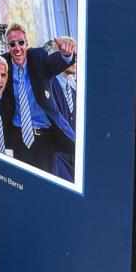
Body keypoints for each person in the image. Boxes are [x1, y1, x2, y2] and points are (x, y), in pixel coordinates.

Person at [0, 24, 77, 178]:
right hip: (18, 140)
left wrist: (66, 56)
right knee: (22, 184)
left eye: (21, 42)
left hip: (44, 140)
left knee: (48, 186)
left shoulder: (38, 58)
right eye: (12, 44)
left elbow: (53, 63)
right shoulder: (4, 64)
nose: (17, 48)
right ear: (8, 47)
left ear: (27, 44)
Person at [48, 43, 77, 180]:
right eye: (71, 54)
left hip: (74, 158)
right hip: (56, 156)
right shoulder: (48, 84)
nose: (75, 60)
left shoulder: (75, 93)